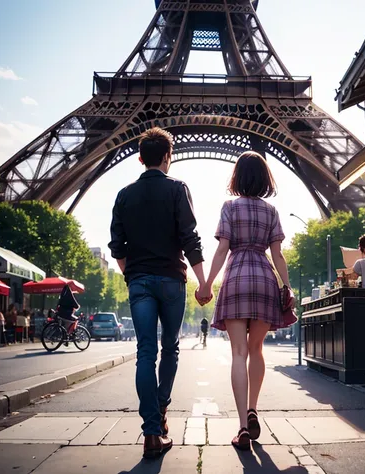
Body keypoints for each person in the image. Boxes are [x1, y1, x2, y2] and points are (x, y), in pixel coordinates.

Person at [109, 127, 206, 459]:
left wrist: (131, 275)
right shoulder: (178, 189)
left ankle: (151, 432)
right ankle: (162, 410)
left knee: (145, 353)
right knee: (171, 349)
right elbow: (190, 238)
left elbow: (116, 247)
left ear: (139, 158)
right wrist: (203, 281)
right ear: (168, 156)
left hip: (140, 282)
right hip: (171, 281)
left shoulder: (123, 194)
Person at [196, 151, 293, 451]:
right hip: (264, 279)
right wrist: (286, 286)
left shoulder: (229, 207)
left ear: (237, 177)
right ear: (265, 179)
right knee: (256, 350)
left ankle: (242, 427)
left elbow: (222, 249)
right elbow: (277, 255)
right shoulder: (271, 211)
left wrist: (207, 283)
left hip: (237, 277)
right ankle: (253, 409)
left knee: (238, 353)